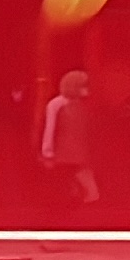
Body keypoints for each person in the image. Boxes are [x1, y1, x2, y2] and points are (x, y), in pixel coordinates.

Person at [40, 69, 101, 206]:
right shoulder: (56, 104)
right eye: (84, 85)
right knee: (68, 180)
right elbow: (50, 128)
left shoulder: (83, 105)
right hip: (63, 152)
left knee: (79, 179)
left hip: (79, 151)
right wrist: (48, 152)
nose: (88, 89)